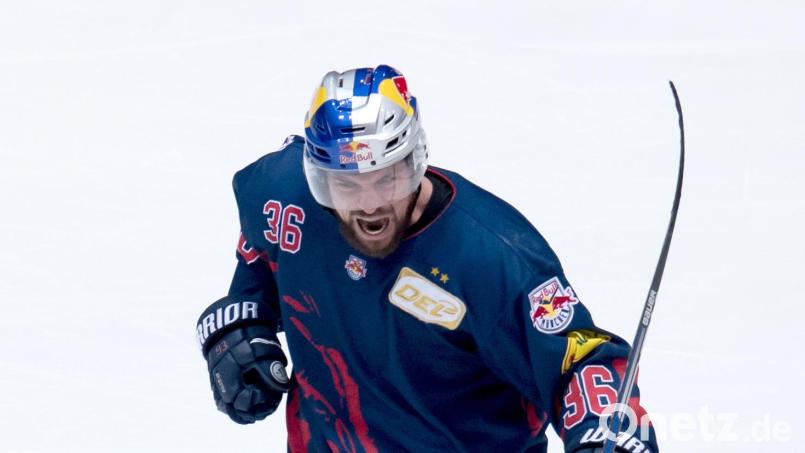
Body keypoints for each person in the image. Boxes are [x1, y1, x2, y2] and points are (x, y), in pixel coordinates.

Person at [196, 65, 659, 453]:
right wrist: (246, 316)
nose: (370, 204)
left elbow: (581, 359)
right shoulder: (283, 195)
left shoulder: (493, 258)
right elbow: (263, 250)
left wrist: (607, 430)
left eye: (387, 178)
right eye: (347, 186)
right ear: (316, 176)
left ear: (414, 158)